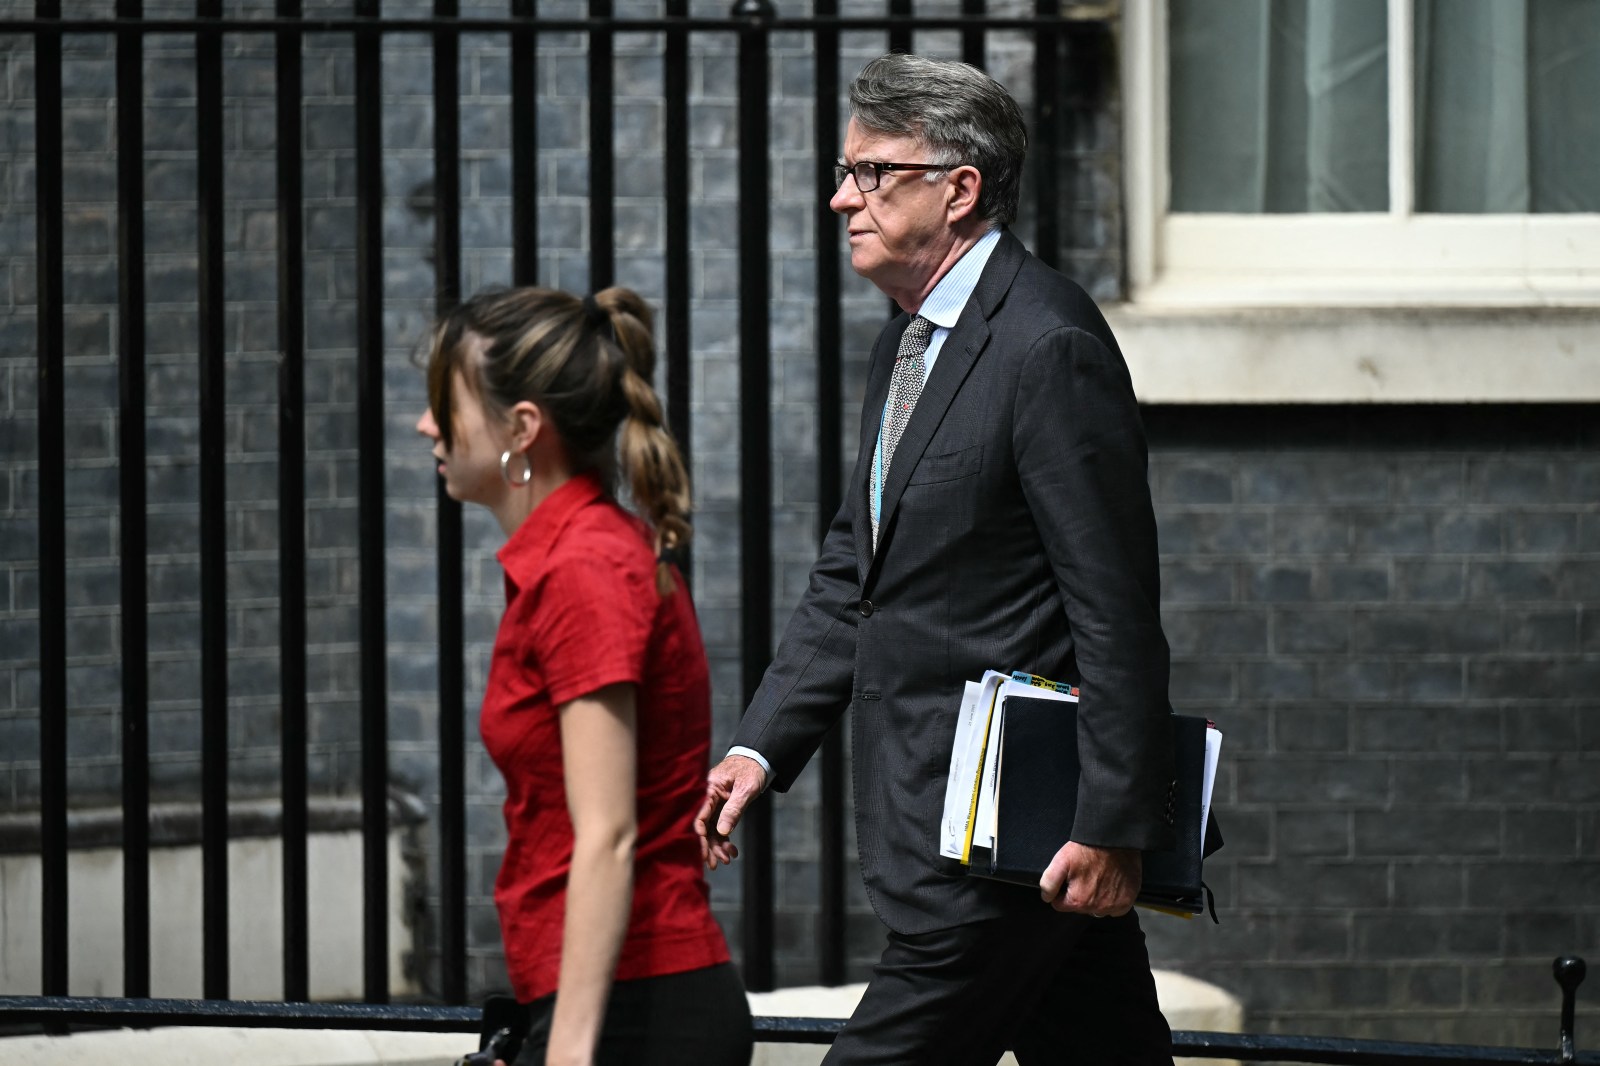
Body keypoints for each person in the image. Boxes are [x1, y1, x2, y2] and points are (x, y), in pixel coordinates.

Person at [695, 53, 1177, 1065]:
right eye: (844, 171)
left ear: (958, 190)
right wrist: (760, 745)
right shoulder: (909, 344)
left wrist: (1111, 823)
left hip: (1010, 839)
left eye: (872, 173)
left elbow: (1115, 606)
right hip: (961, 825)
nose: (840, 198)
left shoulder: (1048, 345)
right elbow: (856, 575)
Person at [417, 286, 753, 1066]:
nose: (427, 424)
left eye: (445, 402)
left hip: (637, 1017)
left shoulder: (585, 568)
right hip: (611, 1009)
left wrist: (567, 1052)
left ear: (523, 429)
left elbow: (607, 835)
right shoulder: (576, 558)